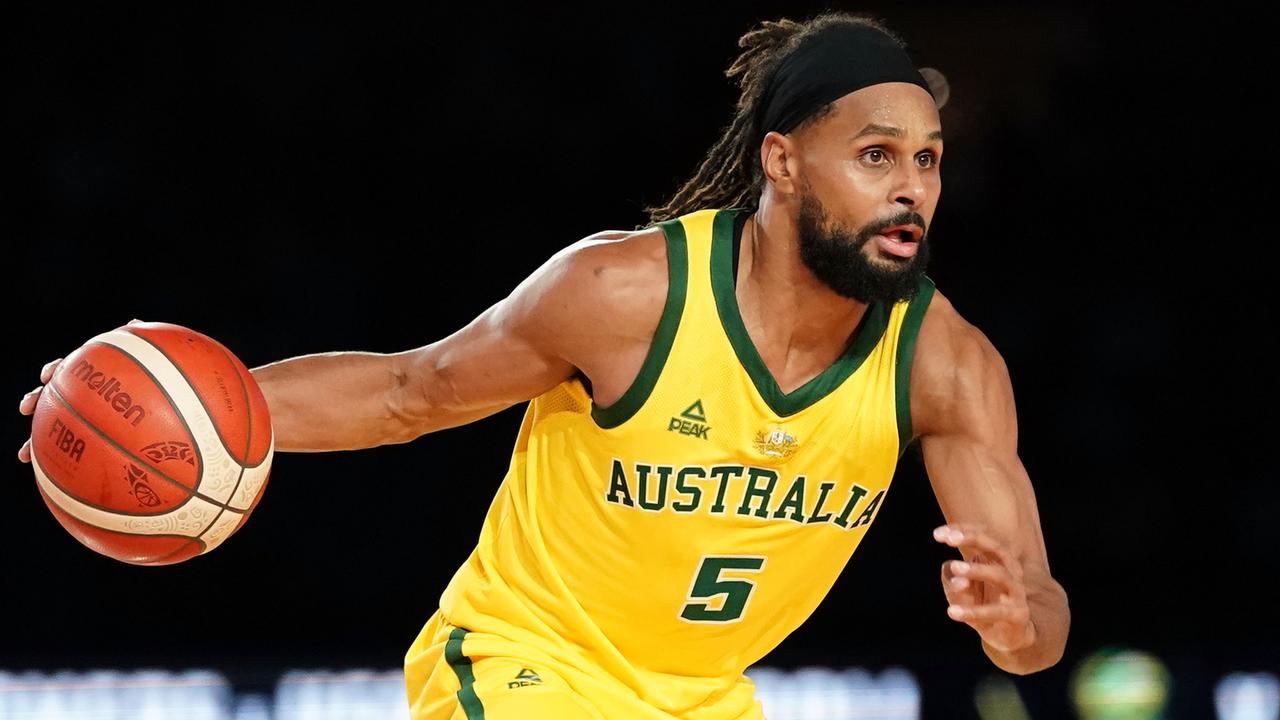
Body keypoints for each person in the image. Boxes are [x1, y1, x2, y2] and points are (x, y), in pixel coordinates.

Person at [18, 12, 1069, 720]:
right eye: (876, 154)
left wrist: (1017, 627)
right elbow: (405, 392)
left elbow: (1037, 624)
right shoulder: (624, 297)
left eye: (926, 158)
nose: (912, 188)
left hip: (703, 697)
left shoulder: (947, 365)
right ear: (782, 161)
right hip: (528, 665)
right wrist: (179, 406)